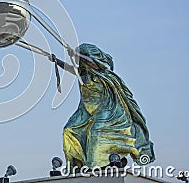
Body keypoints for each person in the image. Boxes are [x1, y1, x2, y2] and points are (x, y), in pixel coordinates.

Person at [49, 43, 155, 171]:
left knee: (96, 133)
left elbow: (95, 63)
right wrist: (57, 61)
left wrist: (77, 54)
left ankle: (97, 165)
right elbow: (71, 69)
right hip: (86, 112)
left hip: (108, 110)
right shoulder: (83, 75)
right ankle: (77, 165)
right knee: (69, 130)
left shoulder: (101, 73)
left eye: (83, 57)